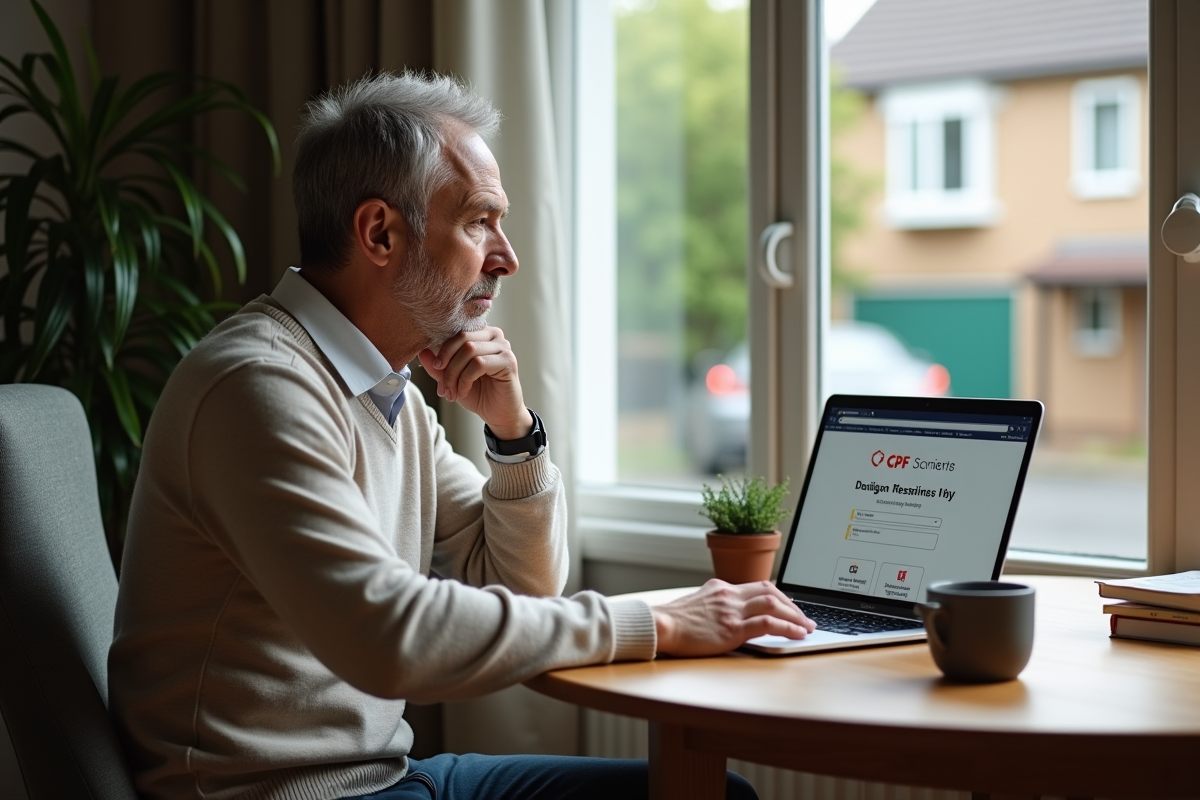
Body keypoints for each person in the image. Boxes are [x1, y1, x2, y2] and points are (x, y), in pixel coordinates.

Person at [108, 72, 814, 800]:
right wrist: (655, 622)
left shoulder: (388, 395)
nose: (505, 257)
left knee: (716, 795)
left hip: (385, 779)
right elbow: (387, 637)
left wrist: (511, 433)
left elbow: (525, 587)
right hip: (277, 794)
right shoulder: (258, 387)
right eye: (479, 221)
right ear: (379, 232)